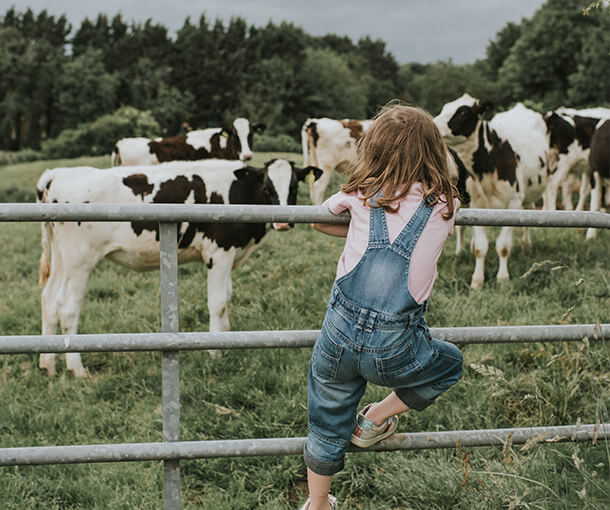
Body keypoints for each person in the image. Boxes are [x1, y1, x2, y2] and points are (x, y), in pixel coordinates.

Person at [300, 103, 464, 510]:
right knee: (450, 363)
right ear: (433, 152)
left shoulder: (358, 195)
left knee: (326, 415)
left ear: (371, 150)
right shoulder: (445, 205)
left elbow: (320, 220)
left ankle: (318, 503)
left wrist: (357, 218)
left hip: (337, 337)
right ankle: (375, 418)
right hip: (395, 347)